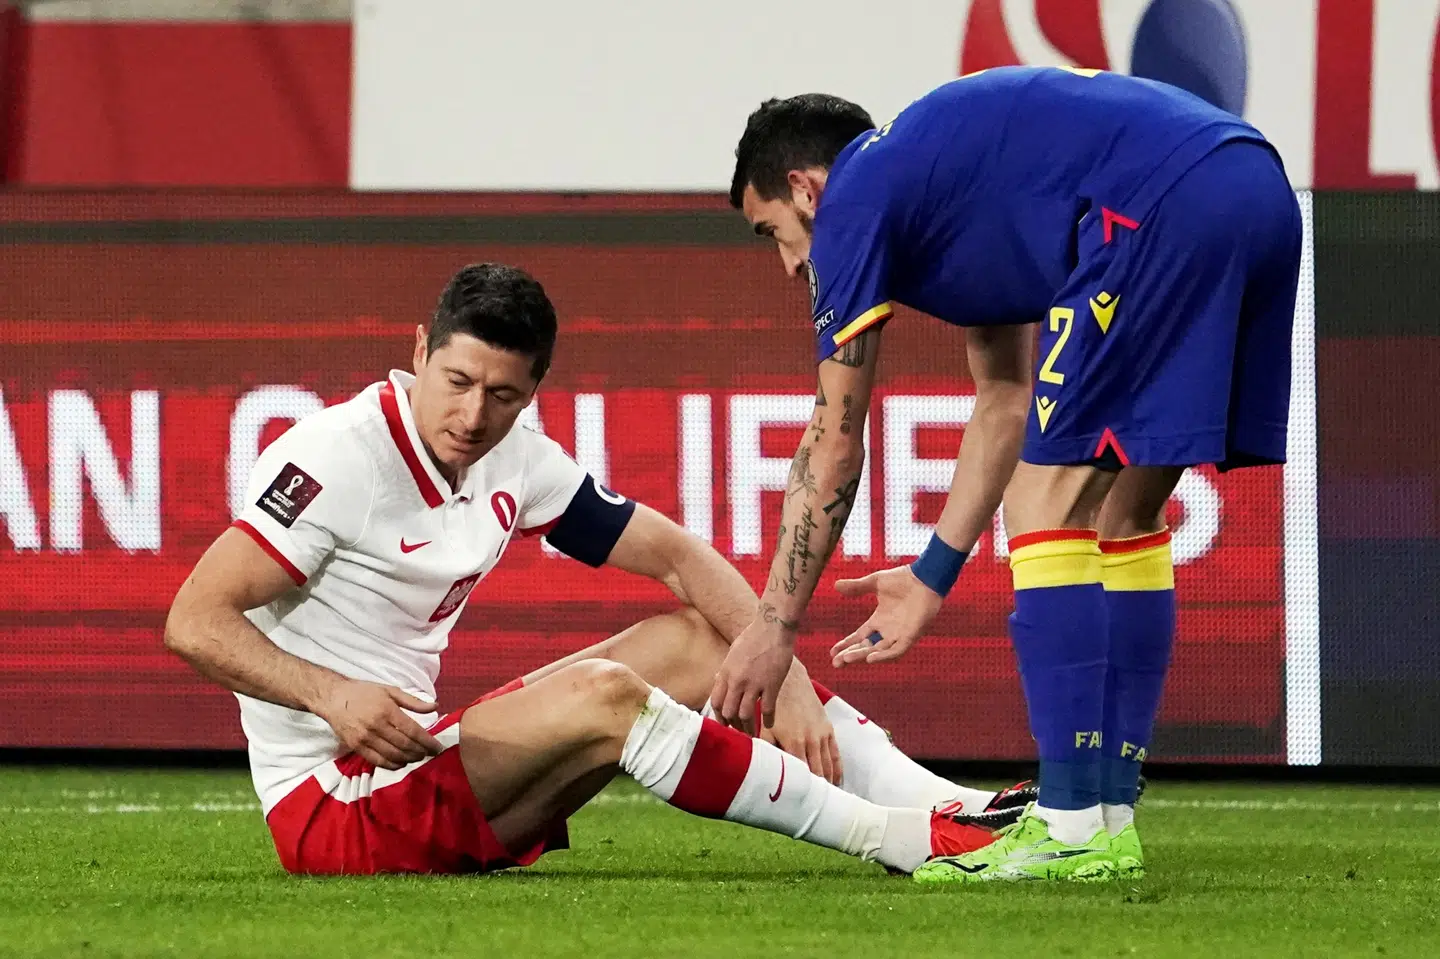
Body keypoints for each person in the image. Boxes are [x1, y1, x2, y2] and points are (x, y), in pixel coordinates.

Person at [163, 262, 1023, 877]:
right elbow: (194, 620)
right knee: (610, 694)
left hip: (422, 762)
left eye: (503, 395)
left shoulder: (515, 456)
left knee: (695, 641)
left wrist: (785, 671)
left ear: (534, 388)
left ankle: (960, 807)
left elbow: (682, 560)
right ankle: (899, 840)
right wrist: (329, 693)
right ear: (419, 350)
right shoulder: (336, 458)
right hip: (334, 806)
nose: (472, 415)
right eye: (457, 380)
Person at [714, 66, 1302, 883]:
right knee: (1122, 517)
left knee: (1044, 498)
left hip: (1155, 204)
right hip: (1253, 187)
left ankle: (1066, 828)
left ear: (803, 188)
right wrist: (932, 575)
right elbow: (1003, 402)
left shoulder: (853, 199)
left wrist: (774, 625)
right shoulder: (946, 186)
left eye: (770, 231)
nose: (785, 265)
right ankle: (1106, 816)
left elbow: (833, 443)